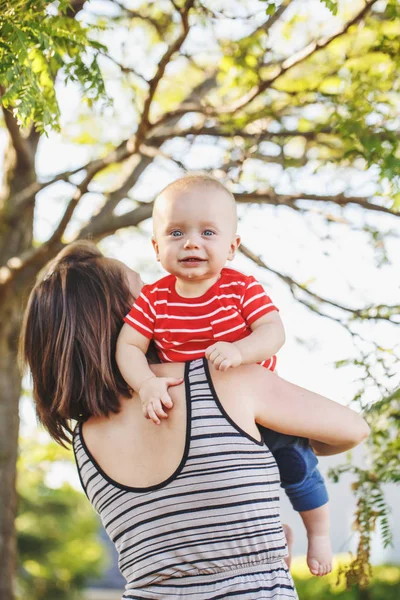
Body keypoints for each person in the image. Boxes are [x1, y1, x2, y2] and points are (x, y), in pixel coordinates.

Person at [19, 241, 369, 599]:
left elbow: (182, 529)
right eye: (146, 293)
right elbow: (353, 429)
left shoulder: (84, 442)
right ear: (123, 318)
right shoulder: (223, 379)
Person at [116, 174, 329, 575]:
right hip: (205, 419)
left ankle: (317, 533)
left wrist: (241, 350)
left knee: (297, 467)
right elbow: (127, 346)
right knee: (229, 493)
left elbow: (273, 331)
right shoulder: (155, 298)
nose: (191, 242)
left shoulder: (241, 287)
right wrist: (145, 383)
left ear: (232, 247)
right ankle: (270, 534)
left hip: (262, 408)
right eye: (176, 233)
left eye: (207, 232)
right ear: (157, 247)